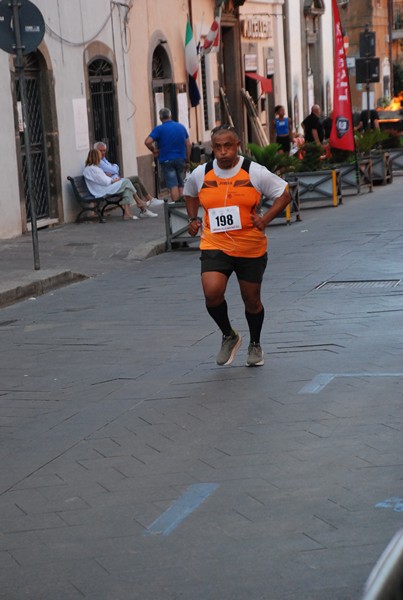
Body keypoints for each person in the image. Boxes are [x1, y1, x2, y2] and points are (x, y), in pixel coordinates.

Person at [183, 124, 290, 368]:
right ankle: (229, 335)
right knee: (212, 293)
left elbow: (284, 194)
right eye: (217, 147)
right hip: (214, 242)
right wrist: (193, 219)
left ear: (237, 145)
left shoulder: (254, 171)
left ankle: (254, 343)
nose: (222, 152)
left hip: (250, 246)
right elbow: (189, 193)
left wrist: (265, 219)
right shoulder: (202, 173)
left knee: (251, 300)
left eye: (227, 146)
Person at [93, 141, 160, 216]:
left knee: (136, 185)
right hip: (112, 185)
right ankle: (150, 199)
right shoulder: (99, 162)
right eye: (100, 150)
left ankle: (144, 210)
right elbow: (114, 169)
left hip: (117, 181)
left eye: (104, 150)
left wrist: (113, 169)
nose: (103, 152)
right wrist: (113, 169)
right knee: (135, 178)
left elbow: (115, 167)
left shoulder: (104, 159)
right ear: (95, 151)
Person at [83, 149, 150, 221]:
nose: (100, 158)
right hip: (101, 191)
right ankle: (139, 201)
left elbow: (102, 179)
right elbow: (105, 181)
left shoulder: (91, 168)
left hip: (103, 188)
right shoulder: (93, 169)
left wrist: (109, 178)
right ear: (96, 157)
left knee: (127, 188)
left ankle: (127, 214)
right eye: (99, 156)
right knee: (126, 182)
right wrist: (113, 180)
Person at [144, 107, 191, 203]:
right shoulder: (181, 127)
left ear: (160, 118)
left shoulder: (159, 129)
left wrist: (154, 150)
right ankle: (184, 206)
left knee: (173, 184)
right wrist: (187, 160)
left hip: (166, 160)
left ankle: (176, 207)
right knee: (181, 183)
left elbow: (147, 142)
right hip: (180, 158)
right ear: (170, 116)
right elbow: (188, 145)